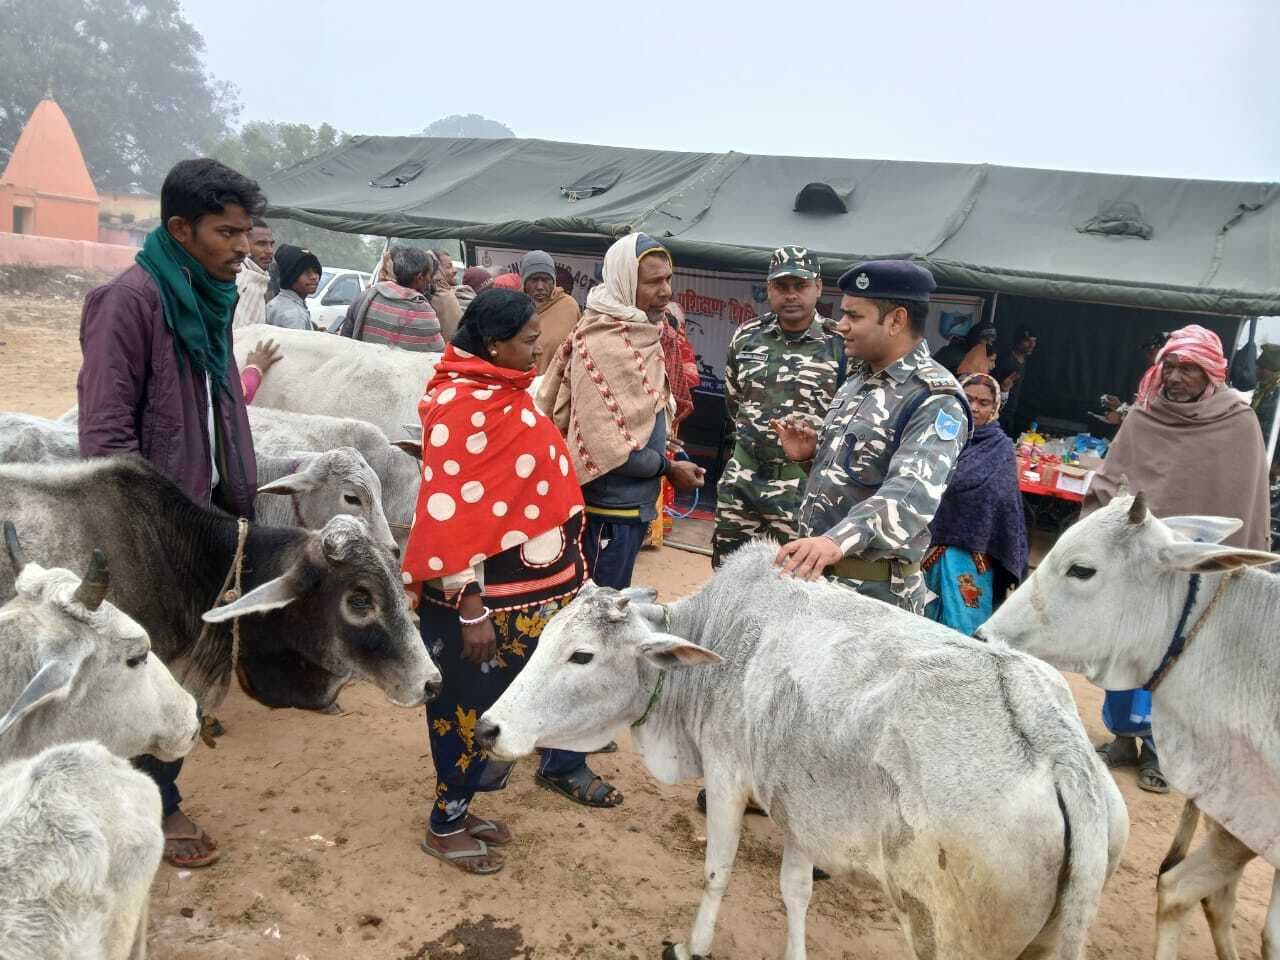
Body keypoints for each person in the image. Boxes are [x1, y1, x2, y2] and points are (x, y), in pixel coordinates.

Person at [77, 157, 264, 869]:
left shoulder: (209, 300)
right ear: (180, 228)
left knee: (185, 664)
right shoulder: (128, 302)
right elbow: (104, 435)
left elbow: (220, 416)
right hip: (148, 527)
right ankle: (152, 803)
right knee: (144, 671)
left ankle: (156, 788)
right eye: (227, 232)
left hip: (205, 514)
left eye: (247, 232)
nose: (241, 247)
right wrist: (141, 534)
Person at [403, 289, 619, 873]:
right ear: (494, 343)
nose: (537, 348)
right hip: (482, 608)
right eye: (528, 340)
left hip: (525, 600)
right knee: (466, 710)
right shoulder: (458, 404)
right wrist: (468, 605)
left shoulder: (504, 390)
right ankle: (445, 825)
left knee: (502, 706)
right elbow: (448, 513)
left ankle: (463, 808)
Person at [1086, 324, 1271, 793]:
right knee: (1125, 651)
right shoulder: (1145, 414)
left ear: (1210, 372)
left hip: (1196, 574)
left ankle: (1161, 750)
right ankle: (1124, 737)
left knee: (1175, 660)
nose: (1176, 376)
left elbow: (1244, 502)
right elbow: (1114, 477)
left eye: (1188, 368)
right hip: (1140, 566)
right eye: (1170, 365)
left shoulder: (1237, 423)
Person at [771, 260, 969, 613]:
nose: (841, 325)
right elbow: (858, 476)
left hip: (872, 598)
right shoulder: (859, 379)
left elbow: (909, 496)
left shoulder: (935, 399)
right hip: (818, 585)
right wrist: (810, 457)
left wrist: (834, 541)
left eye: (855, 316)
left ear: (896, 320)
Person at [537, 233, 705, 591]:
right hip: (607, 513)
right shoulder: (602, 343)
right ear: (625, 281)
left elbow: (636, 415)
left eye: (668, 279)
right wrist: (668, 468)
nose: (666, 291)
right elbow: (606, 450)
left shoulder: (643, 333)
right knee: (598, 611)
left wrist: (662, 440)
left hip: (631, 508)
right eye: (653, 282)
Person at [712, 245, 844, 567]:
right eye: (781, 287)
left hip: (801, 484)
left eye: (800, 286)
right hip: (743, 479)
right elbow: (734, 402)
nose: (791, 295)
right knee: (727, 574)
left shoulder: (839, 343)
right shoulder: (747, 336)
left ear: (818, 287)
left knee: (793, 580)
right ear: (769, 288)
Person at [923, 373, 1029, 634]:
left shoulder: (1001, 448)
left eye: (983, 402)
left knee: (963, 627)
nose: (974, 407)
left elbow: (1001, 500)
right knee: (921, 620)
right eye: (967, 399)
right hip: (925, 547)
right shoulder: (937, 438)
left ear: (995, 408)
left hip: (972, 555)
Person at [337, 246, 443, 351]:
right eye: (429, 275)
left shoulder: (365, 296)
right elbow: (436, 353)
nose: (430, 280)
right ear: (419, 278)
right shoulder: (424, 312)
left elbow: (345, 341)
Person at [520, 250, 582, 374]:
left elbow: (580, 349)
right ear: (524, 283)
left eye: (546, 280)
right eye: (533, 280)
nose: (540, 286)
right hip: (522, 385)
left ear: (553, 281)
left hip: (559, 387)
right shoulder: (516, 307)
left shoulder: (569, 307)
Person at [265, 244, 321, 330]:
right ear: (290, 277)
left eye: (316, 271)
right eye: (306, 272)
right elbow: (298, 343)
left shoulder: (276, 303)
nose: (314, 277)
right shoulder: (294, 315)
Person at [992, 325, 1036, 434]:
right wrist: (1003, 387)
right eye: (1027, 341)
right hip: (999, 412)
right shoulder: (1005, 359)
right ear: (1018, 340)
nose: (1032, 345)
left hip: (1013, 412)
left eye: (1034, 341)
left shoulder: (1025, 359)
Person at [232, 218, 274, 328]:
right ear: (243, 244)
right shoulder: (241, 279)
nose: (270, 251)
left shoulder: (256, 278)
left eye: (271, 244)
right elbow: (237, 333)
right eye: (262, 244)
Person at [429, 248, 464, 342]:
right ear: (437, 270)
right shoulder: (444, 296)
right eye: (449, 266)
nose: (455, 270)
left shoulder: (461, 292)